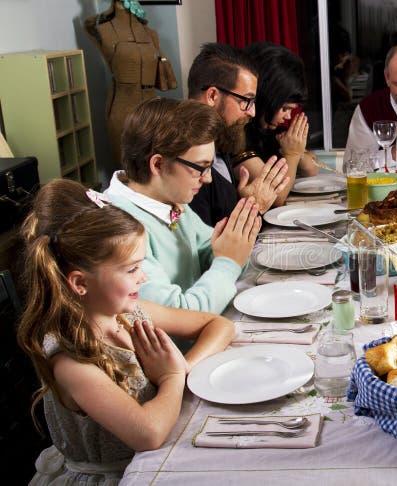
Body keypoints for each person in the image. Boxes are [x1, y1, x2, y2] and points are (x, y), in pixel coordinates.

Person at [19, 179, 234, 484]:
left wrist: (181, 368)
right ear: (80, 283)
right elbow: (148, 433)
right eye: (131, 269)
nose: (143, 277)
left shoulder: (129, 313)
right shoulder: (70, 358)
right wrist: (171, 380)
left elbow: (219, 325)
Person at [105, 97, 261, 314]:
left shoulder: (167, 199)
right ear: (158, 164)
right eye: (200, 168)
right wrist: (228, 262)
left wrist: (235, 244)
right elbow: (180, 314)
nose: (207, 179)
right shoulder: (119, 229)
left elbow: (213, 250)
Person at [186, 43, 290, 226]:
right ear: (212, 96)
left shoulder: (221, 137)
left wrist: (243, 203)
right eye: (246, 101)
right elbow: (204, 248)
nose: (252, 112)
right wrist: (252, 209)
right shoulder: (185, 156)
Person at [84, 0, 177, 164]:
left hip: (151, 106)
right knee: (127, 166)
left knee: (156, 163)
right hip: (122, 106)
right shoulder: (103, 29)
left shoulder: (150, 33)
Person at [243, 42, 319, 207]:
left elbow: (312, 171)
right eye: (285, 108)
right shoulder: (241, 137)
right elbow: (276, 198)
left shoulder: (271, 130)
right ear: (266, 97)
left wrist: (298, 151)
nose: (288, 116)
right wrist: (291, 155)